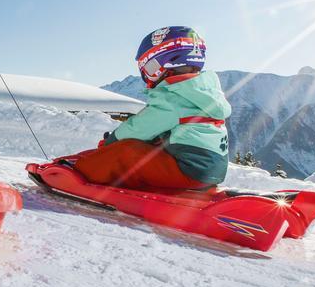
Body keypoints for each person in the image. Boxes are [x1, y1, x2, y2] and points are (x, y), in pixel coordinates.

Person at [69, 27, 231, 191]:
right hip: (207, 174)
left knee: (126, 152)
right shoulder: (201, 92)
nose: (148, 76)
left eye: (150, 68)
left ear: (168, 61)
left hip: (187, 172)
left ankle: (77, 173)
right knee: (148, 146)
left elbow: (139, 128)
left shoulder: (174, 97)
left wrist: (112, 142)